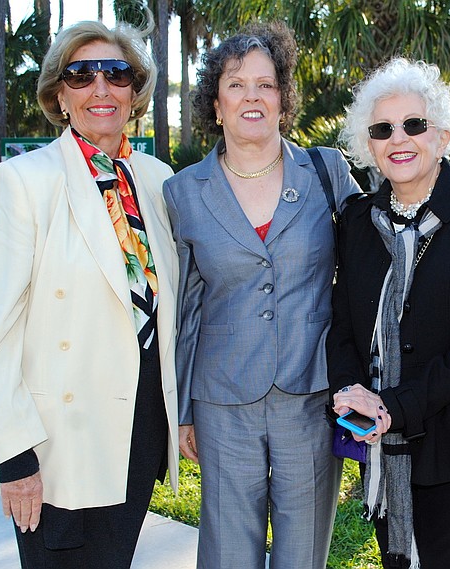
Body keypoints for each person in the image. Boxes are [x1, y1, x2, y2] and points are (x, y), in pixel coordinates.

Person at [0, 19, 180, 568]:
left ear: (136, 91)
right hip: (58, 445)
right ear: (59, 95)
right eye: (81, 75)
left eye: (117, 74)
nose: (101, 89)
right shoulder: (22, 182)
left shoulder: (159, 179)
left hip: (138, 431)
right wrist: (14, 456)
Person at [162, 21, 359, 569]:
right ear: (216, 104)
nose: (252, 95)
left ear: (283, 100)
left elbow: (371, 261)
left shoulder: (327, 172)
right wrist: (182, 409)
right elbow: (186, 307)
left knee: (304, 552)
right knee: (228, 552)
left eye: (265, 84)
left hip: (313, 392)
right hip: (223, 400)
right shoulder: (183, 192)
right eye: (236, 84)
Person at [329, 57, 450, 569]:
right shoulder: (357, 221)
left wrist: (393, 404)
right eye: (383, 129)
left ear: (442, 135)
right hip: (377, 436)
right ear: (368, 144)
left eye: (414, 124)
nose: (400, 139)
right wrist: (351, 396)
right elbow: (343, 326)